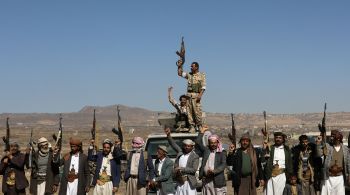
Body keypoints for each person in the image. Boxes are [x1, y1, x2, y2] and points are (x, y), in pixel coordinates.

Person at [165, 127, 199, 195]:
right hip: (180, 181)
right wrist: (168, 135)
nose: (187, 147)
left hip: (189, 182)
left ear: (192, 147)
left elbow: (193, 170)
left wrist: (181, 169)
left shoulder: (195, 156)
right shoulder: (180, 152)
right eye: (185, 146)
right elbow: (173, 144)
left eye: (189, 146)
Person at [316, 130, 350, 195]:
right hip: (328, 177)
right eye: (332, 136)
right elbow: (319, 154)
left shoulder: (345, 149)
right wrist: (318, 144)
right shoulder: (328, 147)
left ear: (339, 138)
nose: (332, 138)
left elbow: (348, 163)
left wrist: (349, 175)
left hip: (340, 178)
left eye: (334, 136)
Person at [195, 126, 227, 195]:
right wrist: (202, 132)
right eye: (211, 143)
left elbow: (223, 165)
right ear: (209, 143)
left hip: (217, 180)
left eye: (215, 142)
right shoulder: (206, 151)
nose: (213, 144)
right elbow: (197, 142)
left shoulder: (222, 152)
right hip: (206, 180)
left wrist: (213, 171)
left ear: (217, 143)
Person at [177, 59, 206, 131]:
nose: (191, 67)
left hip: (196, 95)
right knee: (189, 112)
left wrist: (200, 95)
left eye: (192, 66)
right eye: (191, 66)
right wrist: (179, 66)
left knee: (197, 112)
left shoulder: (201, 75)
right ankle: (192, 126)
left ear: (196, 67)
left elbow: (203, 87)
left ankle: (199, 125)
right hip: (189, 96)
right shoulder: (189, 75)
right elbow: (180, 73)